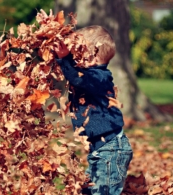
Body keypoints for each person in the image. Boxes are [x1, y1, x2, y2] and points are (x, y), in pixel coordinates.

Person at [54, 25, 133, 195]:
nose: (74, 57)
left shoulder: (99, 77)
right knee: (88, 191)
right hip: (100, 150)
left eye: (78, 52)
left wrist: (64, 59)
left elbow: (78, 79)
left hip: (110, 150)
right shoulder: (90, 76)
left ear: (92, 56)